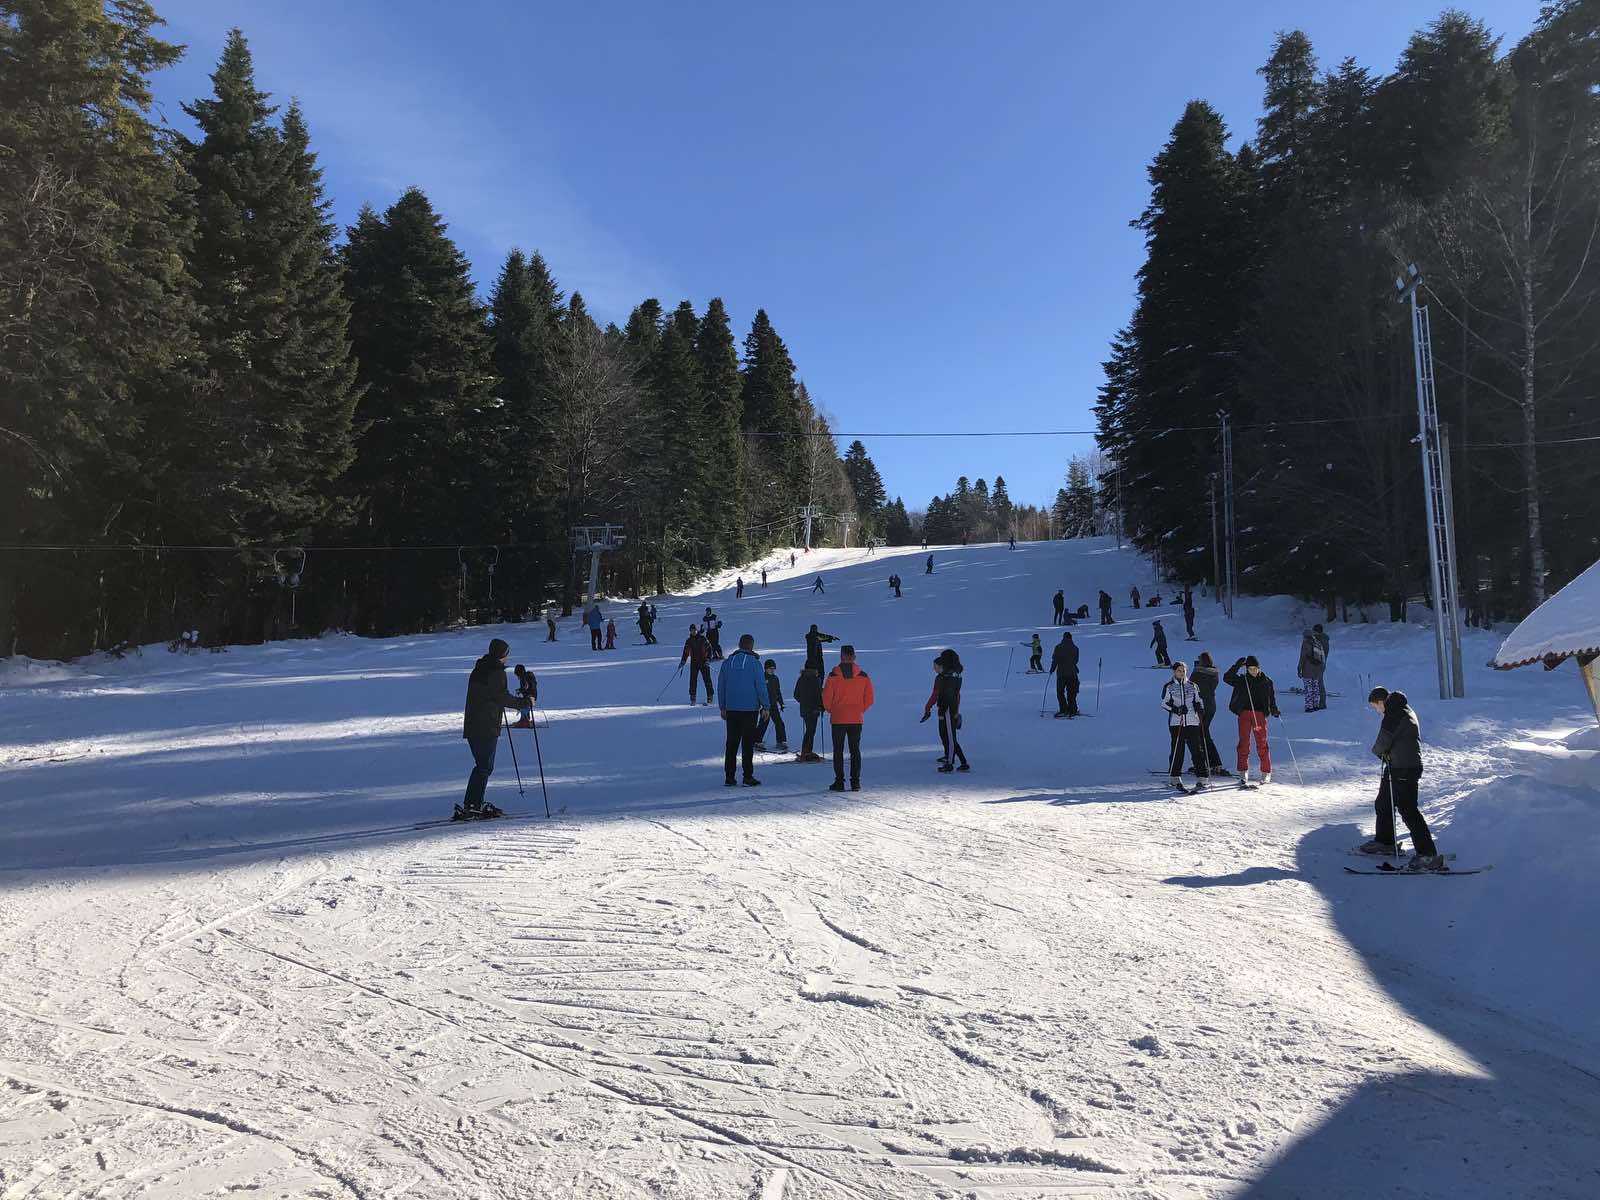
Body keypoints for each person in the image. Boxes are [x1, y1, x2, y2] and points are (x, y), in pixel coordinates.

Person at [1358, 687, 1443, 870]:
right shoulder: (1400, 708)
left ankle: (1428, 855)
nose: (1378, 711)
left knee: (1408, 810)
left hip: (1405, 767)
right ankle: (1385, 841)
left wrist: (1377, 752)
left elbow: (1384, 740)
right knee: (1384, 802)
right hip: (1396, 765)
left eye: (1376, 707)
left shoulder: (1394, 712)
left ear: (1381, 701)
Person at [459, 638, 531, 819]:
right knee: (484, 766)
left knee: (482, 765)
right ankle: (473, 804)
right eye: (506, 655)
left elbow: (492, 696)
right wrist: (525, 702)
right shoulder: (496, 672)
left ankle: (473, 802)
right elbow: (502, 697)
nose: (507, 658)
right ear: (501, 655)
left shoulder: (480, 668)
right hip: (486, 725)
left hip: (474, 724)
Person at [717, 633, 767, 787]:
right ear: (751, 646)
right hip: (749, 709)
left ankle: (729, 777)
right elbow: (761, 686)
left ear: (739, 645)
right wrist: (766, 706)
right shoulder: (755, 663)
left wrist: (723, 707)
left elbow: (721, 686)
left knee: (731, 743)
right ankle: (747, 776)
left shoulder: (727, 663)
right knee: (747, 743)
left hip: (732, 709)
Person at [823, 645, 874, 792]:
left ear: (841, 656)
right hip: (856, 719)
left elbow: (826, 698)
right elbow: (869, 698)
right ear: (854, 657)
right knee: (855, 750)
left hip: (838, 718)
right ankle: (855, 782)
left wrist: (833, 710)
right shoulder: (863, 676)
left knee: (838, 750)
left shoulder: (833, 676)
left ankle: (839, 782)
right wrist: (859, 710)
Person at [1223, 655, 1279, 784]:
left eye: (1255, 669)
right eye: (1250, 669)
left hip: (1259, 715)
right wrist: (1237, 665)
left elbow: (1271, 698)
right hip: (1244, 714)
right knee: (1244, 743)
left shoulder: (1266, 681)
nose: (1253, 671)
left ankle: (1266, 772)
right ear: (1246, 669)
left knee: (1262, 743)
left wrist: (1274, 709)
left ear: (1259, 668)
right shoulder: (1242, 680)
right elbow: (1227, 678)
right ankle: (1243, 772)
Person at [1161, 661, 1210, 790]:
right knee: (1178, 750)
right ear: (1174, 672)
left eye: (1183, 671)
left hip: (1192, 721)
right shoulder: (1169, 686)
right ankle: (1175, 777)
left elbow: (1200, 700)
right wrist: (1176, 709)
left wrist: (1200, 708)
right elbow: (1164, 703)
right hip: (1176, 723)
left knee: (1196, 750)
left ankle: (1202, 777)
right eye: (1179, 671)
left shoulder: (1193, 686)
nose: (1181, 673)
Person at [922, 649, 969, 772]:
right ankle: (954, 758)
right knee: (945, 735)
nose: (935, 668)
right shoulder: (952, 676)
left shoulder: (946, 678)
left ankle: (951, 763)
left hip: (948, 709)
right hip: (946, 709)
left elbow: (937, 694)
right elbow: (956, 695)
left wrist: (928, 707)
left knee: (950, 737)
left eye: (937, 665)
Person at [1190, 652, 1229, 776]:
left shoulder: (1198, 674)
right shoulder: (1214, 673)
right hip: (1211, 707)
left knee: (1200, 735)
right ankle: (1212, 764)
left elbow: (1191, 686)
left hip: (1201, 707)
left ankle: (1209, 764)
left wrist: (1195, 668)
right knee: (1203, 733)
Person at [754, 659, 789, 752]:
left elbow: (778, 692)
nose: (772, 670)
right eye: (770, 668)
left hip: (773, 705)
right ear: (765, 669)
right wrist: (760, 704)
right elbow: (759, 692)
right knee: (764, 723)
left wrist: (781, 703)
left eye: (773, 668)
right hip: (765, 706)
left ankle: (781, 741)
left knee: (779, 722)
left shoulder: (775, 678)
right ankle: (757, 741)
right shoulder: (761, 678)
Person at [792, 664, 825, 762]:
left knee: (809, 730)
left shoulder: (801, 678)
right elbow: (819, 695)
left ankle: (806, 751)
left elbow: (796, 694)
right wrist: (822, 707)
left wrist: (803, 702)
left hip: (804, 710)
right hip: (814, 710)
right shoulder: (815, 680)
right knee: (811, 731)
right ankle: (806, 752)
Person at [680, 624, 714, 705]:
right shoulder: (689, 640)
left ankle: (710, 696)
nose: (693, 631)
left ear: (697, 630)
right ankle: (693, 697)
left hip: (704, 661)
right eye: (691, 630)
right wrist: (683, 661)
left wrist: (708, 659)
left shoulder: (703, 638)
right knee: (693, 680)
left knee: (707, 679)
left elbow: (710, 649)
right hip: (694, 662)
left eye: (694, 630)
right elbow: (686, 652)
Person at [1050, 631, 1080, 717]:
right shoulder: (1075, 648)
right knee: (1071, 692)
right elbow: (1076, 660)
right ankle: (1073, 709)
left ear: (1063, 638)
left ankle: (1064, 709)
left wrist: (1052, 669)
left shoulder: (1058, 647)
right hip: (1072, 673)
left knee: (1060, 691)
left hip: (1061, 673)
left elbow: (1055, 659)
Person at [1297, 628, 1327, 712]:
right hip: (1317, 670)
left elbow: (1302, 657)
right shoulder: (1318, 643)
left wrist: (1299, 669)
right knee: (1315, 687)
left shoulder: (1305, 644)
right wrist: (1322, 667)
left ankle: (1309, 707)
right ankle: (1316, 705)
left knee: (1308, 688)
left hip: (1307, 670)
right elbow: (1322, 657)